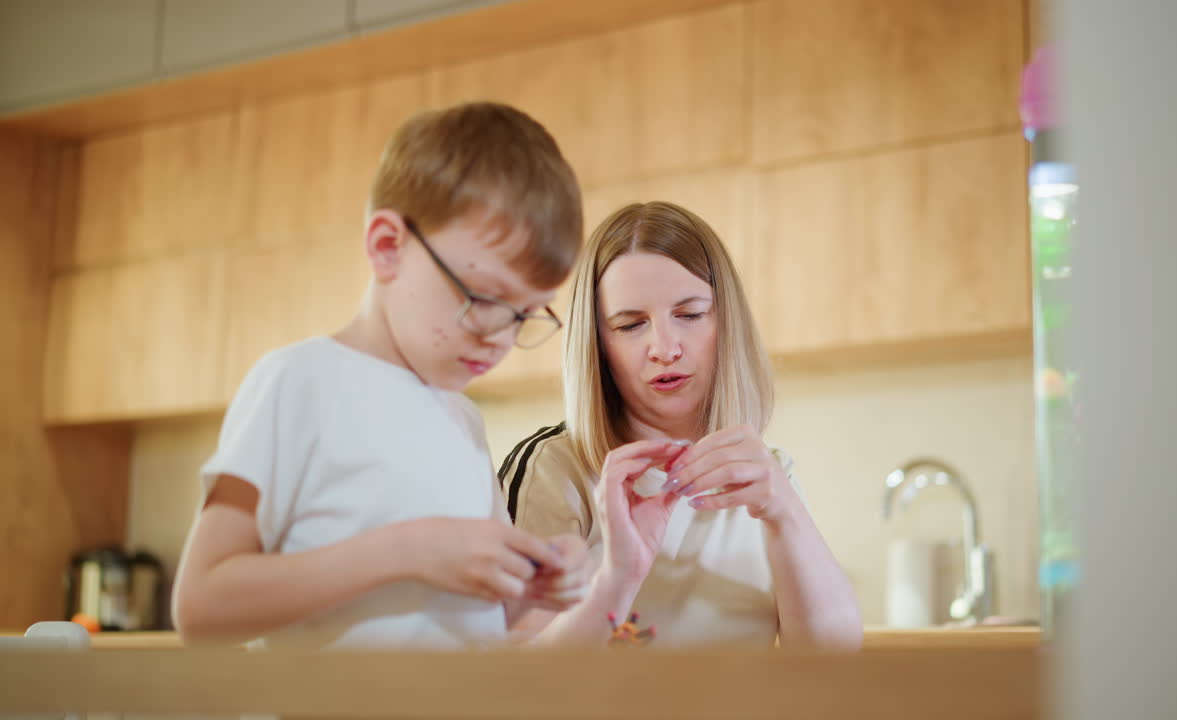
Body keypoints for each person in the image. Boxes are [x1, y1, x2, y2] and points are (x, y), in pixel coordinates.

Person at [171, 102, 590, 650]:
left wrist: (534, 585)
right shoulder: (299, 382)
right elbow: (202, 604)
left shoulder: (462, 419)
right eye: (485, 298)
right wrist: (408, 551)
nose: (502, 338)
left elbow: (473, 617)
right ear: (388, 246)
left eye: (526, 313)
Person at [501, 201, 862, 648]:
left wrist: (784, 513)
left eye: (690, 315)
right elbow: (512, 680)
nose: (665, 348)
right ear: (598, 345)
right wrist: (618, 576)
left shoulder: (767, 474)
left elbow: (833, 655)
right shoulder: (552, 469)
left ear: (726, 322)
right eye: (631, 325)